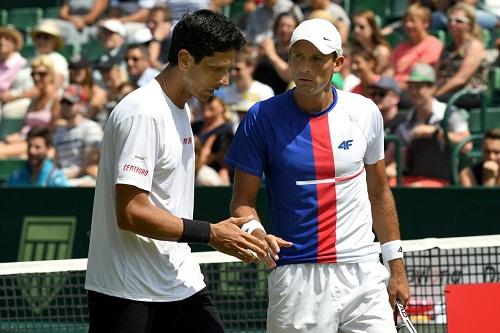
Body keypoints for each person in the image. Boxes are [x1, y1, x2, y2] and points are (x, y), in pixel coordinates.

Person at [85, 10, 283, 332]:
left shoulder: (181, 109)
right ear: (186, 59)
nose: (224, 81)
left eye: (228, 69)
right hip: (127, 293)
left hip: (178, 282)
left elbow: (167, 204)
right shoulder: (143, 113)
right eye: (217, 69)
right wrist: (212, 233)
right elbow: (131, 212)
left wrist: (236, 232)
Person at [226, 18, 410, 332]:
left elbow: (379, 193)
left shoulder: (365, 112)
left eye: (317, 58)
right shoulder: (260, 117)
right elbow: (242, 204)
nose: (305, 68)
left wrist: (397, 268)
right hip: (297, 276)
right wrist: (257, 233)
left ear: (338, 63)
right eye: (298, 56)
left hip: (363, 270)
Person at [396, 63, 470, 187]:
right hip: (412, 178)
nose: (414, 92)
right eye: (411, 87)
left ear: (432, 88)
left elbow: (467, 145)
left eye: (419, 87)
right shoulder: (405, 121)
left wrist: (436, 132)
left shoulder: (448, 113)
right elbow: (399, 158)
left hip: (443, 181)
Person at [435, 2, 488, 109]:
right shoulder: (447, 48)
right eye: (450, 20)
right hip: (447, 91)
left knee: (435, 102)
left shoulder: (474, 46)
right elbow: (437, 75)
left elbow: (461, 79)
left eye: (459, 21)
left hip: (469, 93)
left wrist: (437, 94)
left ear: (470, 25)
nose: (452, 23)